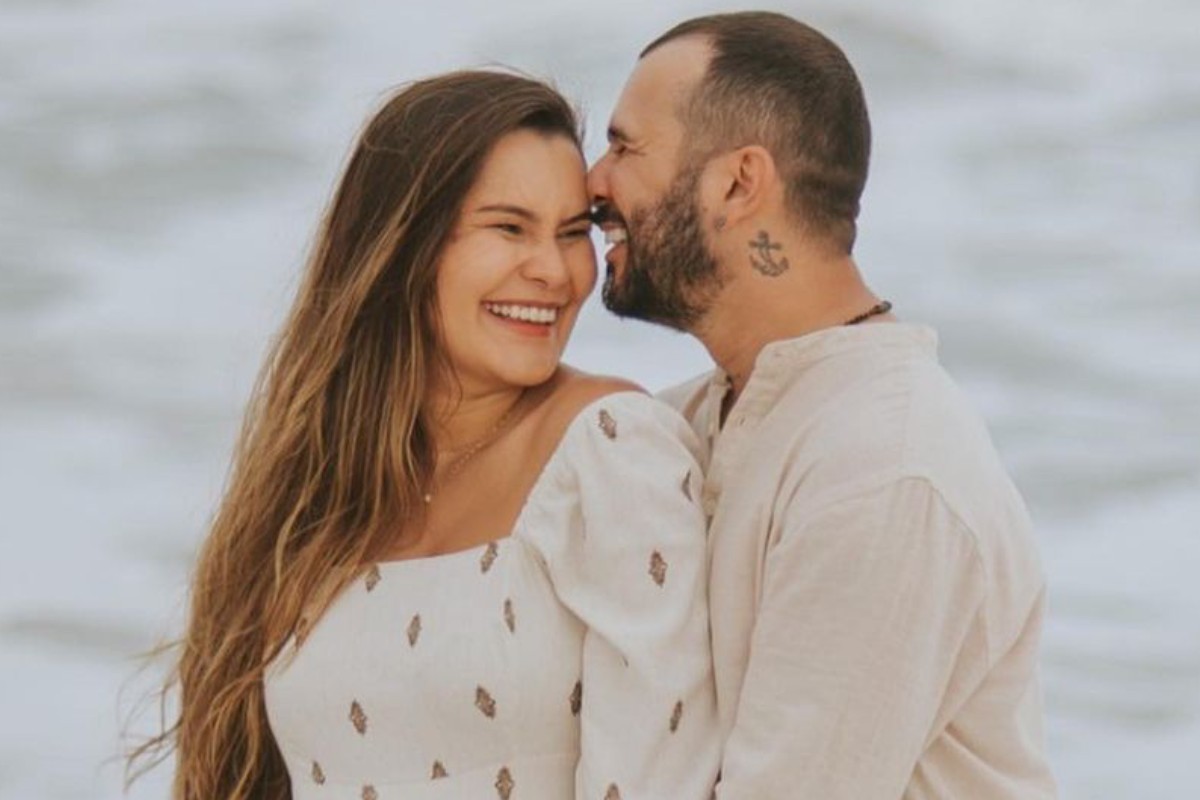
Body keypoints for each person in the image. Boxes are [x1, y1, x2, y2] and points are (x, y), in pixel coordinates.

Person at [128, 70, 719, 800]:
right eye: (509, 227)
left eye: (573, 233)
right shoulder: (317, 494)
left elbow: (661, 776)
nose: (554, 272)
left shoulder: (610, 448)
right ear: (405, 246)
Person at [588, 11, 1057, 799]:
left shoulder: (882, 473)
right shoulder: (699, 422)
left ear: (739, 183)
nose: (593, 181)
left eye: (625, 146)